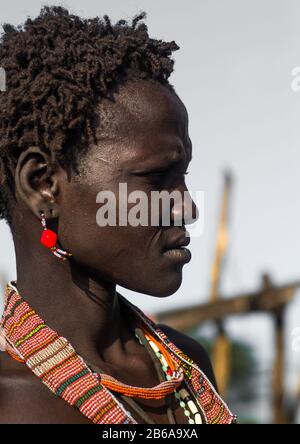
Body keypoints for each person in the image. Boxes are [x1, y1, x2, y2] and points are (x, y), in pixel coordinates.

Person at [0, 6, 235, 424]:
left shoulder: (188, 370)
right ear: (42, 185)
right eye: (156, 176)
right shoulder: (12, 404)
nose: (188, 207)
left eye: (183, 175)